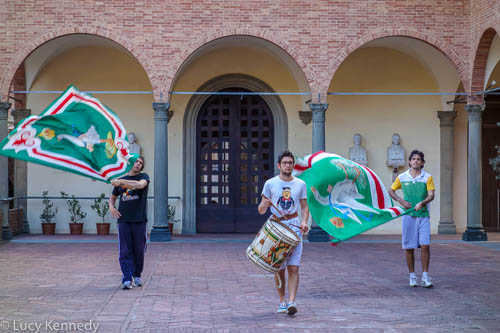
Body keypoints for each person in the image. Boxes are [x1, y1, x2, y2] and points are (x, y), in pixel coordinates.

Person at [258, 150, 309, 315]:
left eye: (290, 163)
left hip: (294, 228)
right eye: (285, 163)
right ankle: (282, 301)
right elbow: (260, 210)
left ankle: (292, 302)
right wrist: (265, 205)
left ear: (293, 165)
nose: (288, 165)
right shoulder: (270, 184)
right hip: (276, 228)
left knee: (293, 267)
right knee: (279, 268)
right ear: (279, 165)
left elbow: (304, 206)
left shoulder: (300, 184)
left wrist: (304, 221)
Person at [389, 150, 435, 288]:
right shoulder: (402, 177)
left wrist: (422, 203)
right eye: (413, 159)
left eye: (418, 159)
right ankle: (412, 277)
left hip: (423, 215)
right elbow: (391, 190)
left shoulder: (427, 177)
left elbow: (431, 195)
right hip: (408, 216)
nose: (416, 161)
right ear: (409, 161)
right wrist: (401, 201)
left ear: (422, 163)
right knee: (409, 247)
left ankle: (425, 277)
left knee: (425, 245)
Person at [109, 156, 150, 290]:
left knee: (139, 250)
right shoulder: (120, 180)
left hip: (139, 220)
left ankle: (137, 275)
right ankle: (127, 278)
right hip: (124, 220)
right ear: (131, 163)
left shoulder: (143, 177)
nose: (138, 164)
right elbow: (113, 197)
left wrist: (120, 182)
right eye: (136, 161)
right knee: (124, 250)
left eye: (141, 163)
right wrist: (111, 207)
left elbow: (139, 185)